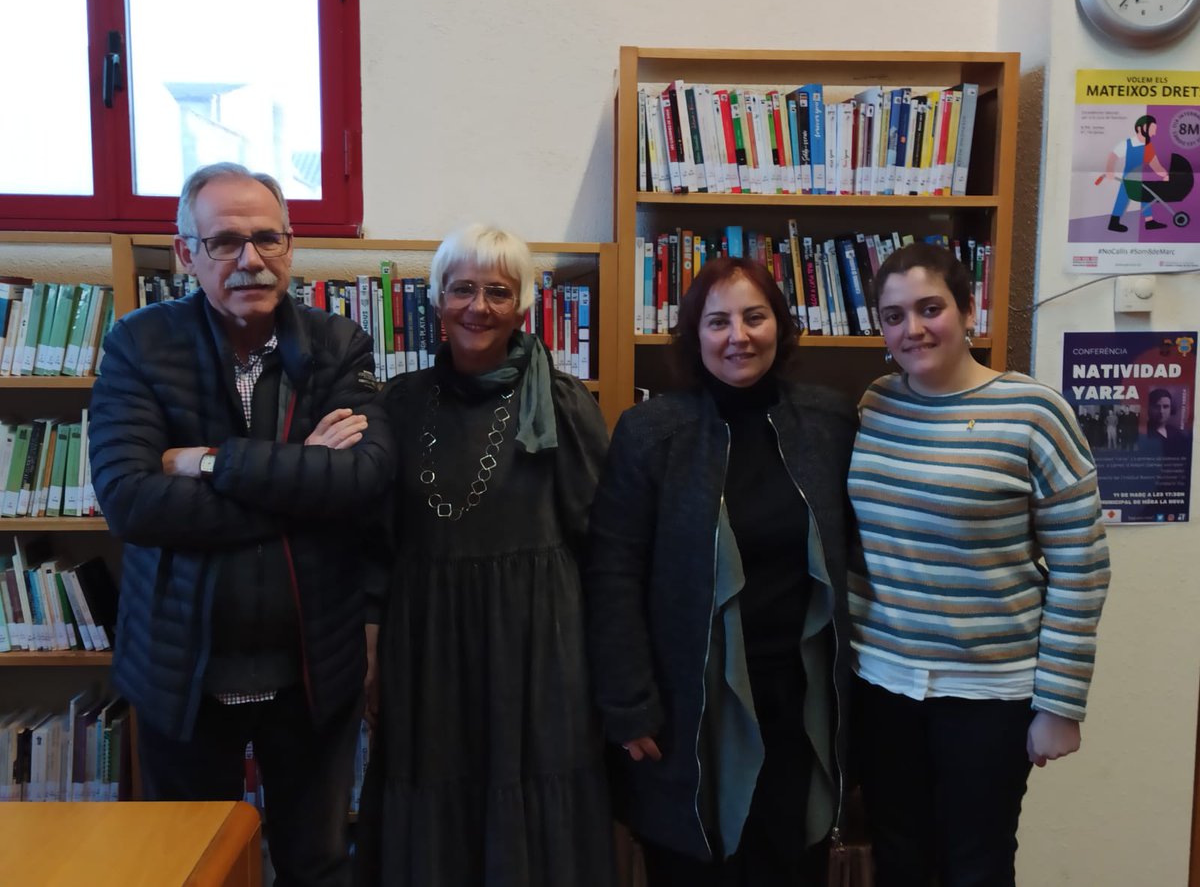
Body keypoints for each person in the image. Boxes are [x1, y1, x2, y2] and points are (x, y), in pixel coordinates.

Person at [88, 162, 394, 887]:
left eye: (267, 238)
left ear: (290, 247)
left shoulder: (338, 343)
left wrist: (205, 463)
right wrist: (298, 477)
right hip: (178, 670)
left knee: (317, 861)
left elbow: (360, 477)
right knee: (195, 863)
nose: (250, 259)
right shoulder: (139, 343)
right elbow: (130, 499)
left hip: (313, 671)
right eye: (224, 241)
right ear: (185, 252)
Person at [356, 224, 615, 887]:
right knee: (438, 799)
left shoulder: (562, 403)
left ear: (523, 305)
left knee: (534, 800)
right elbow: (377, 540)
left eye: (498, 290)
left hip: (538, 641)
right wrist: (373, 643)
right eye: (462, 288)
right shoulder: (402, 403)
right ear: (437, 300)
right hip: (429, 640)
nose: (478, 305)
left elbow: (602, 540)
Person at [587, 256, 858, 886]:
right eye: (718, 321)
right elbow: (612, 573)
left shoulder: (830, 422)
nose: (738, 335)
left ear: (780, 327)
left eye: (754, 317)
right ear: (693, 335)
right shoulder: (651, 432)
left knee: (793, 863)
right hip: (688, 714)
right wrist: (629, 704)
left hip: (801, 706)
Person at [848, 242, 1111, 887]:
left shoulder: (1034, 413)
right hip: (882, 684)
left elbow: (1082, 564)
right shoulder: (875, 406)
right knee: (898, 856)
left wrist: (1060, 704)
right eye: (893, 315)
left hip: (990, 694)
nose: (912, 329)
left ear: (969, 310)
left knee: (977, 864)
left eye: (930, 308)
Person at [1099, 114, 1169, 232]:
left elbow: (1155, 164)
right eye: (1152, 130)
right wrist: (1110, 170)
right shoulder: (1128, 143)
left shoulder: (1148, 147)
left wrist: (1165, 174)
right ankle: (1114, 222)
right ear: (1142, 128)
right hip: (1128, 177)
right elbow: (1113, 155)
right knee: (1123, 197)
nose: (1154, 134)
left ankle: (1149, 221)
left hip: (1140, 177)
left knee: (1145, 195)